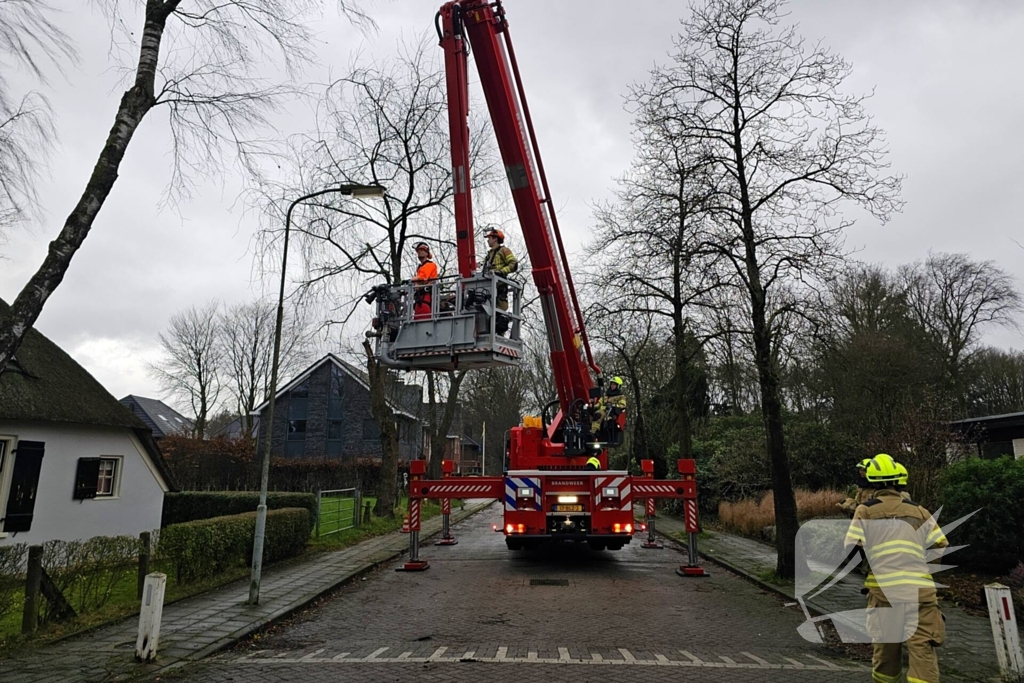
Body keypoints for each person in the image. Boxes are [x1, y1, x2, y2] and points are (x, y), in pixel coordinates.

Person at [844, 455, 948, 683]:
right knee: (922, 650)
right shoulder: (919, 511)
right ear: (899, 483)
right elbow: (941, 544)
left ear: (872, 483)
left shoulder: (865, 511)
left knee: (886, 653)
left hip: (884, 593)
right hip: (920, 593)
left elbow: (852, 548)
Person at [482, 228, 518, 334]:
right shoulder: (489, 255)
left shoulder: (504, 251)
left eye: (489, 238)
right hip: (488, 288)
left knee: (500, 312)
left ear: (495, 239)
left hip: (499, 287)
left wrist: (501, 272)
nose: (487, 240)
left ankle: (500, 335)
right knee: (487, 313)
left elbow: (513, 264)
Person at [411, 242, 438, 319]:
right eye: (418, 250)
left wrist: (410, 281)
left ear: (427, 253)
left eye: (422, 250)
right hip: (420, 298)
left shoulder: (430, 265)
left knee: (422, 318)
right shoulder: (421, 267)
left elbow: (422, 277)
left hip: (426, 297)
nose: (420, 252)